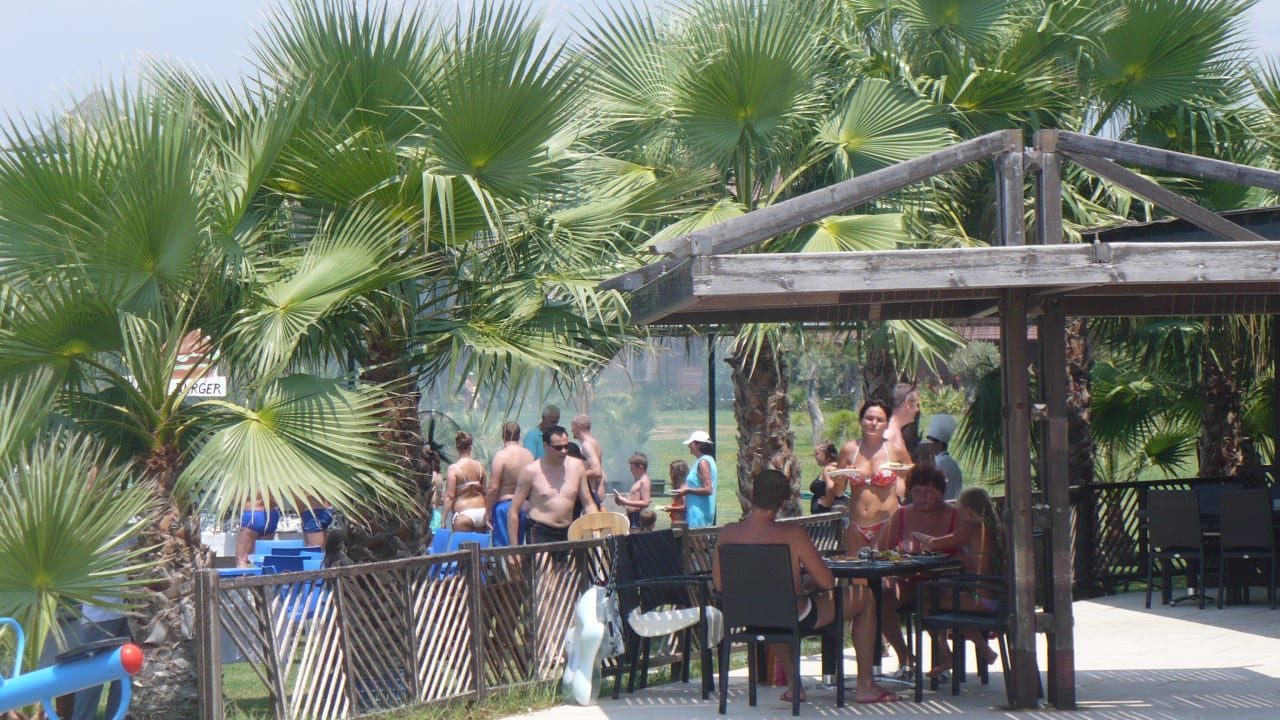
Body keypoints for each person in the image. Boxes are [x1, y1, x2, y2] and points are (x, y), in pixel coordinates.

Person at [715, 469, 901, 705]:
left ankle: (795, 686)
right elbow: (826, 582)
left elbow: (721, 584)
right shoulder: (792, 534)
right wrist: (805, 582)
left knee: (772, 608)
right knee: (864, 597)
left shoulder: (728, 533)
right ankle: (866, 685)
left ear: (752, 494)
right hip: (794, 613)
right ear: (784, 500)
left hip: (749, 614)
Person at [911, 486, 1003, 679]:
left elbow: (935, 543)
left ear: (968, 511)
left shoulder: (972, 529)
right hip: (993, 595)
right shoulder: (991, 528)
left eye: (960, 511)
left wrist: (917, 535)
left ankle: (948, 657)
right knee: (941, 601)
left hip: (982, 598)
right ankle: (982, 650)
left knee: (928, 603)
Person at [876, 463, 958, 678]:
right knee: (881, 597)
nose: (922, 496)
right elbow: (882, 550)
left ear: (940, 492)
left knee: (930, 597)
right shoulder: (902, 514)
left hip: (944, 581)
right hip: (908, 579)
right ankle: (904, 657)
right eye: (917, 491)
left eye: (928, 491)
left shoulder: (955, 515)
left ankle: (944, 656)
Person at [839, 400, 913, 556]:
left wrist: (900, 478)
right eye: (869, 418)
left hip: (886, 522)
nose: (873, 423)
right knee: (859, 576)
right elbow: (839, 492)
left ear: (887, 424)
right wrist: (840, 478)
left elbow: (912, 478)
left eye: (880, 420)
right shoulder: (849, 450)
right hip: (856, 523)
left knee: (883, 574)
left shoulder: (895, 450)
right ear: (861, 421)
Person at [510, 425, 598, 544]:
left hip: (569, 529)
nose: (563, 451)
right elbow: (514, 509)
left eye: (566, 446)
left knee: (569, 563)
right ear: (545, 446)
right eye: (558, 448)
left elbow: (588, 503)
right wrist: (514, 549)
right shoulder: (531, 471)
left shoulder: (577, 467)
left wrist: (596, 529)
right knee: (544, 563)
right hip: (541, 530)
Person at [488, 421, 535, 546]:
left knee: (505, 551)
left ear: (503, 436)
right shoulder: (529, 455)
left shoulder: (501, 456)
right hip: (525, 506)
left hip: (505, 506)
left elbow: (493, 488)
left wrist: (487, 511)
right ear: (519, 436)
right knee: (521, 548)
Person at [444, 431, 489, 532]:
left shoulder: (454, 469)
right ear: (471, 447)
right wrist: (489, 513)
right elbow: (485, 492)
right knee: (482, 547)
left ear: (457, 448)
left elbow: (450, 496)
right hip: (482, 512)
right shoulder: (480, 467)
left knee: (463, 547)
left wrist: (443, 520)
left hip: (464, 513)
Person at [676, 431, 717, 528]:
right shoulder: (705, 460)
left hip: (699, 513)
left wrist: (687, 490)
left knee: (697, 542)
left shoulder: (703, 462)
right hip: (696, 512)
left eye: (691, 444)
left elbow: (708, 489)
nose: (689, 446)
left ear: (698, 444)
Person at [923, 414, 964, 501]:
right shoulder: (952, 463)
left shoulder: (938, 463)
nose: (928, 446)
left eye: (931, 442)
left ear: (940, 444)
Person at [236, 494, 279, 568]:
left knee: (242, 560)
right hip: (271, 516)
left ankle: (242, 579)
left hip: (252, 513)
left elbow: (235, 500)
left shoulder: (245, 482)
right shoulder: (274, 482)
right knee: (264, 560)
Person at [571, 414, 606, 504]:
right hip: (594, 492)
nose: (571, 430)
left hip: (589, 494)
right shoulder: (594, 442)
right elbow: (601, 472)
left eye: (572, 427)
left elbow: (597, 471)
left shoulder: (586, 445)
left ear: (577, 427)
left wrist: (572, 477)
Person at [613, 452, 652, 529]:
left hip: (637, 517)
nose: (630, 470)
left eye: (632, 467)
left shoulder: (644, 481)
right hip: (632, 516)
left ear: (640, 467)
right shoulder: (639, 481)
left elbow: (646, 502)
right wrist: (621, 501)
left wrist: (625, 502)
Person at [883, 383, 921, 459]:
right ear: (908, 403)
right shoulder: (889, 436)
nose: (918, 410)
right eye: (917, 405)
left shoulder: (895, 432)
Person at [809, 440, 844, 515]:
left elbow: (831, 486)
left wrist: (826, 503)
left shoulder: (829, 469)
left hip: (824, 516)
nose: (815, 457)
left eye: (817, 454)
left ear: (826, 454)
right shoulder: (835, 466)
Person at [661, 459, 688, 525]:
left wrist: (671, 508)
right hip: (676, 521)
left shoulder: (684, 488)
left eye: (671, 472)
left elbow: (686, 507)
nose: (669, 474)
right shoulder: (680, 487)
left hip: (682, 523)